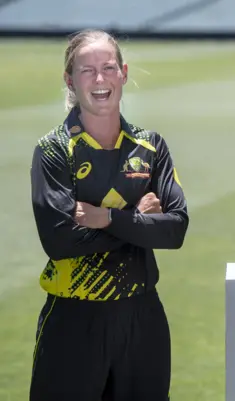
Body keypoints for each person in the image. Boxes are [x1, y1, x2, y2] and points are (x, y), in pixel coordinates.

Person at [29, 29, 189, 401]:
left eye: (108, 67)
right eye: (87, 70)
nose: (99, 79)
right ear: (70, 79)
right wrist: (139, 219)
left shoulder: (151, 147)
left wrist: (108, 218)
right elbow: (60, 241)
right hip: (73, 319)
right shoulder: (53, 151)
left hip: (142, 318)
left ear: (124, 73)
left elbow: (176, 230)